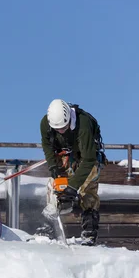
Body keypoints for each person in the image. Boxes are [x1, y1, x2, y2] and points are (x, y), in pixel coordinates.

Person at [40, 99, 106, 245]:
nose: (61, 131)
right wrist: (53, 168)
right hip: (64, 155)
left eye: (64, 127)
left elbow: (88, 159)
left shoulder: (83, 125)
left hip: (87, 156)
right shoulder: (46, 124)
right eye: (58, 129)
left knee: (87, 187)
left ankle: (89, 229)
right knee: (54, 185)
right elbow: (47, 146)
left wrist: (73, 187)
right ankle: (49, 224)